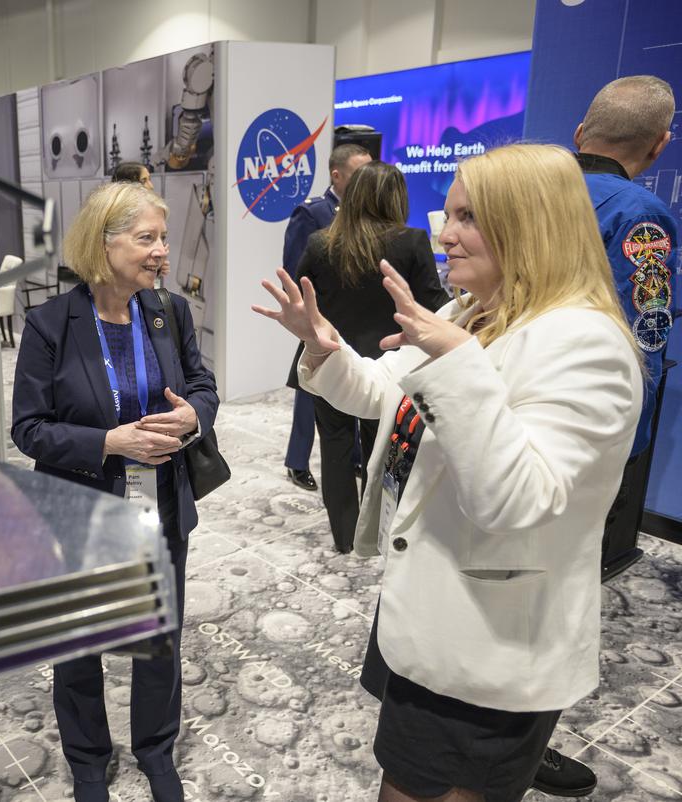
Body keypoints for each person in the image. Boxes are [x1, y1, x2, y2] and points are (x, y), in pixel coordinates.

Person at [253, 144, 642, 802]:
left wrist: (459, 361)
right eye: (448, 213)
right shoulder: (476, 312)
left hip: (491, 651)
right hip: (436, 622)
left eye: (466, 216)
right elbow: (385, 392)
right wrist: (327, 352)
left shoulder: (586, 344)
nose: (443, 232)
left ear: (528, 224)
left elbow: (516, 501)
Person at [12, 182, 218, 802]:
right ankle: (88, 760)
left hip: (161, 506)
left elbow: (203, 384)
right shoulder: (50, 324)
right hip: (82, 507)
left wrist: (194, 416)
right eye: (147, 238)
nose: (162, 251)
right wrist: (110, 442)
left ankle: (156, 750)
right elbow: (29, 429)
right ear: (104, 244)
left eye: (163, 237)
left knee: (159, 634)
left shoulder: (169, 312)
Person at [533, 74, 678, 799]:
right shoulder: (643, 214)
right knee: (560, 590)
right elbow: (649, 328)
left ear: (582, 132)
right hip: (591, 424)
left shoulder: (528, 191)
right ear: (659, 144)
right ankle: (522, 738)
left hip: (512, 407)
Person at [293, 161, 446, 553]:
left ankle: (344, 537)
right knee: (380, 452)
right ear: (397, 197)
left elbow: (304, 303)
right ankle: (374, 535)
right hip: (390, 365)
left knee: (334, 447)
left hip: (332, 362)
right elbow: (434, 305)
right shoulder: (412, 242)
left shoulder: (320, 243)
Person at [282, 143, 373, 491]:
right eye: (358, 173)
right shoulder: (314, 213)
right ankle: (297, 461)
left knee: (353, 384)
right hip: (324, 318)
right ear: (337, 175)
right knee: (310, 389)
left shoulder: (367, 216)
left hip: (358, 319)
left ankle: (352, 457)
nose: (366, 180)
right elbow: (294, 270)